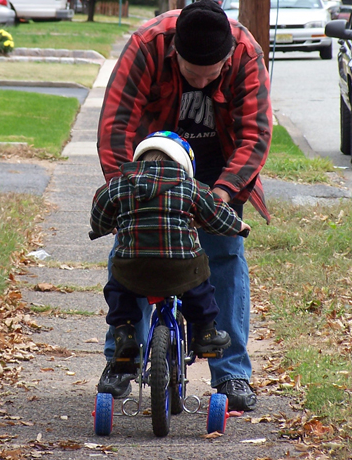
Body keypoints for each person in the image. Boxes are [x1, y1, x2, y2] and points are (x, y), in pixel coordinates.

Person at [96, 0, 272, 411]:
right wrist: (126, 193)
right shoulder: (147, 45)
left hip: (218, 166)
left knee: (225, 254)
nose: (200, 81)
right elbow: (116, 125)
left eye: (210, 75)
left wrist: (222, 195)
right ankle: (122, 359)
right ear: (176, 53)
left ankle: (230, 373)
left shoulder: (246, 53)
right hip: (150, 161)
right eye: (191, 73)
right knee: (133, 248)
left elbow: (255, 134)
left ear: (227, 57)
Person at [90, 131, 251, 382]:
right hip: (180, 270)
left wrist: (103, 227)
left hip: (133, 271)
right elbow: (216, 214)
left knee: (118, 291)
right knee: (200, 288)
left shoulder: (118, 186)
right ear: (184, 164)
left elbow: (100, 211)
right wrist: (238, 226)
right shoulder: (192, 187)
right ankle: (205, 334)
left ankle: (124, 336)